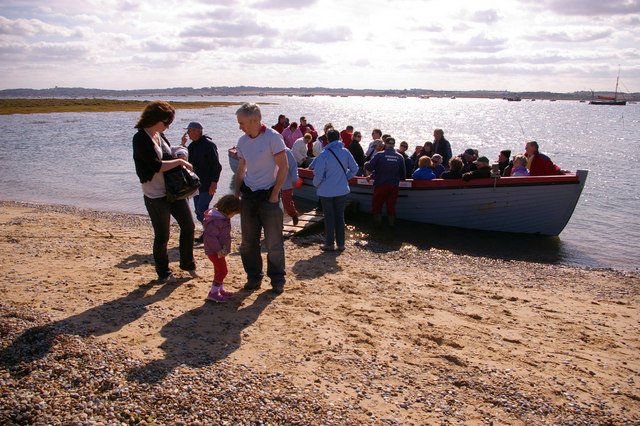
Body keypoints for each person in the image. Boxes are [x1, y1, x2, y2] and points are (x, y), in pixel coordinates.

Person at [132, 101, 197, 282]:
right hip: (155, 195)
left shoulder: (159, 135)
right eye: (166, 123)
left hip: (173, 192)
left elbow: (168, 155)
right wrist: (180, 163)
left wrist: (180, 153)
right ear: (154, 119)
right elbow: (155, 165)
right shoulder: (140, 138)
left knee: (189, 227)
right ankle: (164, 272)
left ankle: (187, 263)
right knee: (162, 236)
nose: (168, 127)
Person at [234, 103, 288, 294]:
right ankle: (254, 277)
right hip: (249, 195)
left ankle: (277, 279)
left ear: (255, 120)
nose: (240, 126)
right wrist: (236, 193)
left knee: (274, 243)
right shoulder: (242, 141)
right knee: (248, 243)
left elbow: (284, 167)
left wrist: (275, 195)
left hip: (268, 195)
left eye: (242, 123)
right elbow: (241, 169)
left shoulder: (273, 138)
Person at [312, 129, 358, 251]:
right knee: (339, 216)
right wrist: (345, 177)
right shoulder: (345, 152)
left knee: (329, 217)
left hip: (326, 191)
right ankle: (341, 244)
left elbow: (318, 175)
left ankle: (330, 244)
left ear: (327, 139)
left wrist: (316, 185)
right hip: (342, 189)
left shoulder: (324, 154)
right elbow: (355, 168)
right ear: (339, 139)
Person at [180, 121, 222, 243]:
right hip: (196, 184)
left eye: (190, 131)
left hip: (208, 184)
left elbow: (217, 166)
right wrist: (183, 145)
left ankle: (212, 231)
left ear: (197, 131)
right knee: (199, 211)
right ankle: (209, 232)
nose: (188, 133)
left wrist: (214, 183)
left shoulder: (209, 145)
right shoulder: (192, 146)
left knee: (201, 209)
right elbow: (184, 161)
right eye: (188, 131)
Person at [203, 194, 242, 303]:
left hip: (218, 250)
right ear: (229, 210)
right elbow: (210, 237)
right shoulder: (216, 221)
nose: (233, 216)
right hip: (214, 251)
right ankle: (213, 293)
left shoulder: (220, 217)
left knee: (218, 270)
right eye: (233, 214)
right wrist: (218, 249)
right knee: (223, 271)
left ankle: (219, 289)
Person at [364, 137, 406, 227]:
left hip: (380, 185)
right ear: (394, 145)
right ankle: (391, 228)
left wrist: (366, 163)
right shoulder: (400, 157)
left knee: (376, 206)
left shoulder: (379, 155)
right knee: (391, 207)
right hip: (394, 186)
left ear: (385, 144)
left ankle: (377, 228)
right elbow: (403, 175)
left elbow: (369, 167)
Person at [281, 147, 300, 225]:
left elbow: (293, 166)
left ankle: (294, 214)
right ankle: (279, 224)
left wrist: (294, 179)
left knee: (286, 202)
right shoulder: (268, 150)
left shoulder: (287, 152)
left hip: (286, 181)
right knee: (274, 205)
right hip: (273, 182)